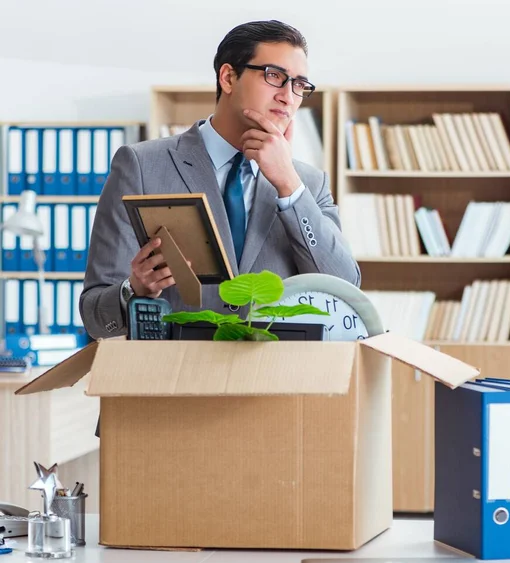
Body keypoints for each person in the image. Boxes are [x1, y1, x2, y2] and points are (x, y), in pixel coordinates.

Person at [80, 19, 361, 339]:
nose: (288, 96)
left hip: (278, 381)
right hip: (176, 380)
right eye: (275, 76)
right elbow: (93, 314)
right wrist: (135, 289)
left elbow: (345, 292)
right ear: (228, 77)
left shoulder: (308, 184)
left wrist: (289, 185)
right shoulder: (141, 166)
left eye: (299, 85)